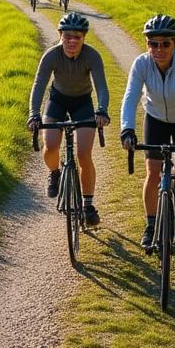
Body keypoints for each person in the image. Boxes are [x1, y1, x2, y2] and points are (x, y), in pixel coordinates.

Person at [119, 14, 175, 252]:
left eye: (165, 44)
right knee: (152, 174)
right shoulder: (141, 64)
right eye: (153, 44)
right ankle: (151, 225)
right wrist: (127, 128)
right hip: (156, 119)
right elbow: (130, 97)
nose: (159, 49)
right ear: (147, 44)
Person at [27, 12, 111, 225]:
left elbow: (101, 86)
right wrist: (34, 114)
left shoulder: (92, 56)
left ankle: (88, 204)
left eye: (77, 37)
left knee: (83, 154)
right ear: (60, 35)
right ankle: (54, 172)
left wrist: (101, 110)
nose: (72, 41)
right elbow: (39, 86)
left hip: (83, 103)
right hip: (57, 100)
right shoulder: (51, 55)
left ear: (84, 38)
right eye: (67, 36)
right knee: (51, 145)